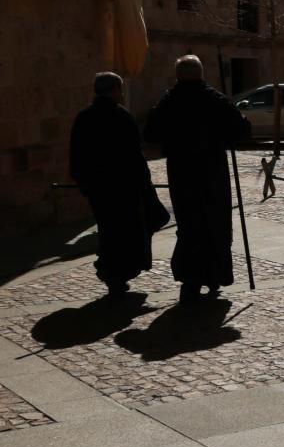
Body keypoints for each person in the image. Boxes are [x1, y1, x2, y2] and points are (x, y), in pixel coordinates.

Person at [144, 55, 250, 304]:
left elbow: (150, 134)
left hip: (182, 172)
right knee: (215, 221)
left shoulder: (169, 101)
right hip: (212, 171)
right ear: (201, 74)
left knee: (189, 224)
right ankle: (214, 275)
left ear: (178, 76)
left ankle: (191, 279)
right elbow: (242, 130)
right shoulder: (215, 99)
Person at [70, 72, 168, 296]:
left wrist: (85, 184)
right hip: (123, 188)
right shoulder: (121, 117)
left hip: (98, 189)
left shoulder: (84, 117)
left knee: (108, 230)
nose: (122, 94)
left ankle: (112, 271)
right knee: (125, 232)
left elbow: (77, 156)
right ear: (114, 90)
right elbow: (134, 156)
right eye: (120, 89)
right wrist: (144, 184)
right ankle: (117, 272)